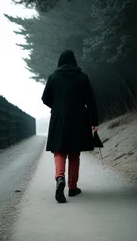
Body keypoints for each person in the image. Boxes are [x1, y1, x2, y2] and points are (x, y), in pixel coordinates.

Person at [41, 50, 98, 203]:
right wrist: (94, 122)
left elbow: (45, 98)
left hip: (59, 118)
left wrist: (57, 105)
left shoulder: (53, 77)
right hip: (79, 118)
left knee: (59, 151)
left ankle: (60, 178)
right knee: (74, 153)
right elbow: (91, 100)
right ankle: (72, 187)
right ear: (74, 61)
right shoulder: (83, 77)